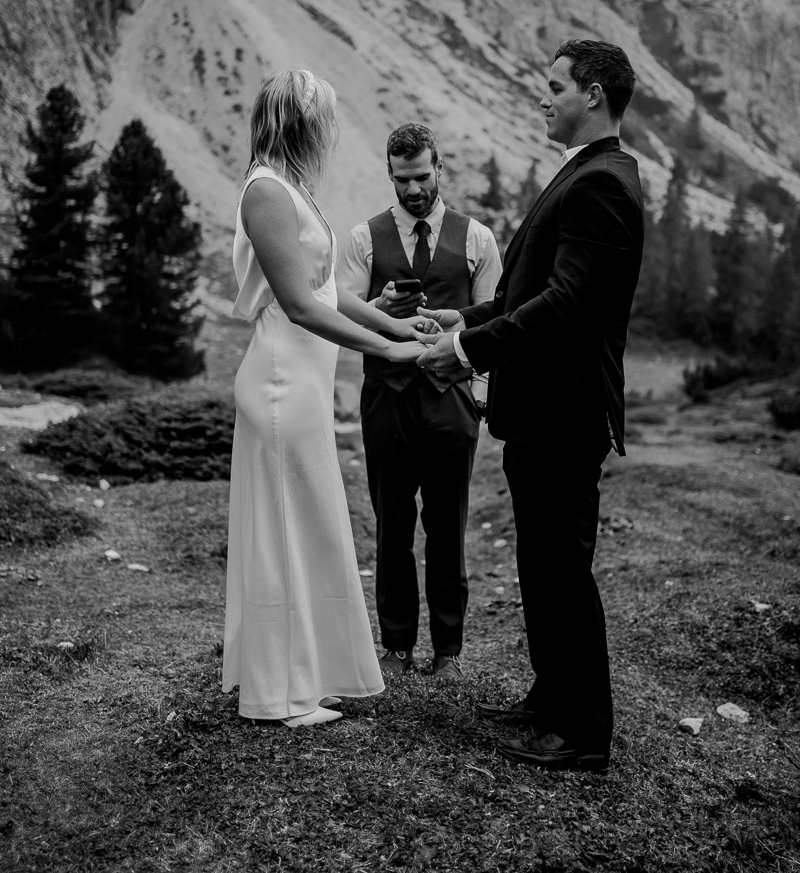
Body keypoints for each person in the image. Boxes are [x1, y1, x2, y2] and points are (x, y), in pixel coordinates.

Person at [418, 40, 644, 770]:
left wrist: (465, 354)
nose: (542, 98)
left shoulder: (605, 182)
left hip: (567, 410)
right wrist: (469, 321)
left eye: (554, 87)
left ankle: (584, 735)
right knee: (541, 564)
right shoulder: (585, 171)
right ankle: (551, 699)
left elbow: (572, 304)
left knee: (563, 568)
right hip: (542, 407)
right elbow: (530, 291)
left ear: (596, 95)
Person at [222, 70, 436, 728]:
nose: (334, 130)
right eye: (327, 118)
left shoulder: (293, 189)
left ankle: (304, 677)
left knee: (308, 526)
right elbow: (296, 305)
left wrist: (391, 323)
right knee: (287, 528)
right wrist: (387, 352)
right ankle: (280, 696)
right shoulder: (265, 192)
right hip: (282, 381)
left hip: (306, 383)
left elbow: (324, 289)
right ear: (300, 123)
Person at [338, 124, 502, 679]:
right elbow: (342, 311)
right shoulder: (363, 238)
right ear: (390, 173)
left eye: (423, 176)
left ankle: (449, 651)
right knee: (391, 524)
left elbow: (493, 323)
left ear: (439, 169)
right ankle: (397, 644)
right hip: (386, 397)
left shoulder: (477, 238)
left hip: (452, 400)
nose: (414, 189)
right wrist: (378, 301)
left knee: (448, 524)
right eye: (403, 179)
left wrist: (480, 399)